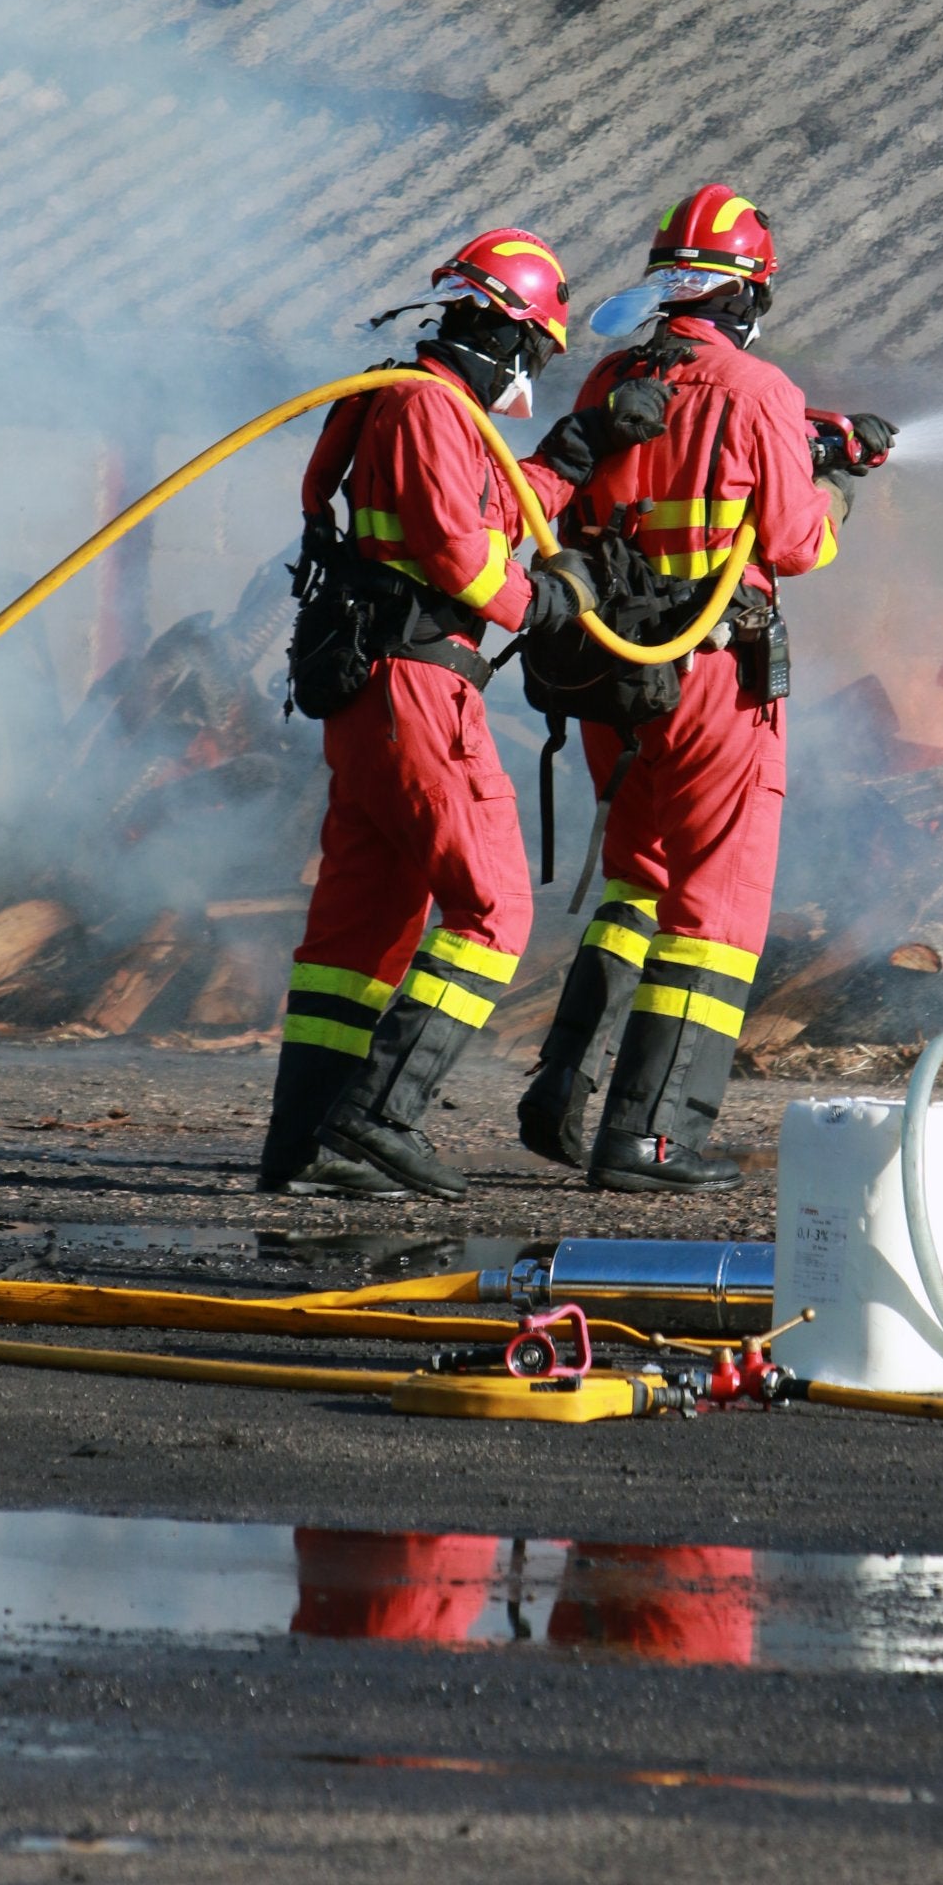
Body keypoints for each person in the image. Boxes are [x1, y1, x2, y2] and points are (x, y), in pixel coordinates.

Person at [256, 228, 670, 1201]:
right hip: (418, 692)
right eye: (538, 354)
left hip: (377, 699)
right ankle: (380, 1113)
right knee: (494, 908)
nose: (533, 375)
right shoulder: (427, 408)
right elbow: (459, 550)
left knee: (357, 936)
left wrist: (577, 450)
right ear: (512, 333)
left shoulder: (425, 407)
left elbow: (491, 501)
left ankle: (304, 1144)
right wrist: (544, 606)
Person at [517, 185, 895, 1194]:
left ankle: (562, 1090)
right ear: (747, 297)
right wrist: (840, 482)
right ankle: (652, 1136)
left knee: (635, 882)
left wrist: (803, 448)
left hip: (614, 683)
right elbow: (794, 542)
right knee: (716, 906)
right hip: (714, 678)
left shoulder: (610, 379)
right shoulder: (759, 388)